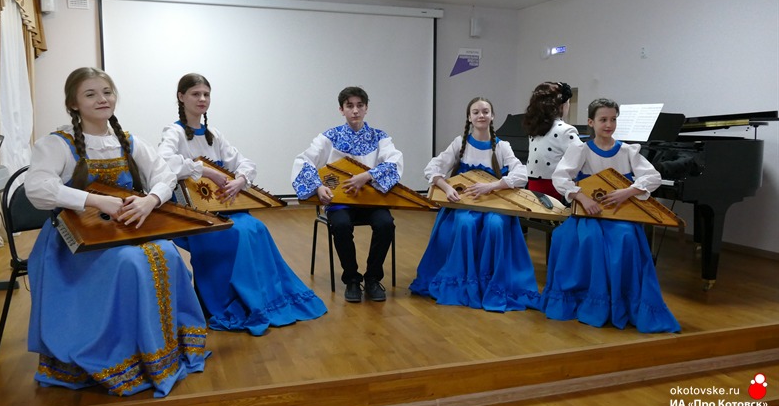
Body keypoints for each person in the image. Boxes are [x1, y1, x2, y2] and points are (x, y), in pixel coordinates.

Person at [24, 67, 209, 397]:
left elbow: (165, 176)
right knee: (131, 262)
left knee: (166, 251)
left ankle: (158, 351)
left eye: (107, 92)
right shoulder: (57, 144)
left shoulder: (128, 141)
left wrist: (150, 200)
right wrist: (95, 201)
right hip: (75, 242)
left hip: (123, 231)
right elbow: (37, 188)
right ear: (73, 103)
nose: (102, 99)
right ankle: (118, 355)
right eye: (90, 94)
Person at [158, 73, 327, 335]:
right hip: (193, 214)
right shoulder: (175, 132)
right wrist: (205, 170)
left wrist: (241, 180)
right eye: (195, 94)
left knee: (256, 228)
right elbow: (164, 162)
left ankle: (261, 298)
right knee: (238, 232)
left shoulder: (214, 134)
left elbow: (245, 163)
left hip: (222, 209)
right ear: (181, 97)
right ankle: (226, 299)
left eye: (206, 94)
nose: (202, 99)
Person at [539, 98, 681, 333]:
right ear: (591, 122)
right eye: (603, 119)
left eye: (613, 119)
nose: (608, 124)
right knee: (586, 238)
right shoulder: (581, 150)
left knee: (626, 237)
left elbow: (653, 177)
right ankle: (589, 299)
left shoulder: (627, 151)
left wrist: (628, 191)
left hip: (619, 215)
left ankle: (621, 301)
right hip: (588, 215)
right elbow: (560, 177)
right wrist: (582, 197)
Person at [409, 97, 540, 312]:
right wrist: (447, 187)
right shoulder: (459, 143)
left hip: (494, 203)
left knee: (495, 225)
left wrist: (492, 186)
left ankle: (492, 284)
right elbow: (432, 168)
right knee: (465, 223)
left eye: (485, 111)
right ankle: (463, 283)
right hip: (465, 204)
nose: (481, 115)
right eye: (476, 112)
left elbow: (521, 174)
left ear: (492, 116)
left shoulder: (502, 146)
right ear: (469, 117)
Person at [291, 86, 402, 303]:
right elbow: (304, 160)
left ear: (366, 108)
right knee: (341, 225)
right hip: (340, 201)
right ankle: (351, 278)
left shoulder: (380, 137)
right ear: (341, 110)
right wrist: (317, 187)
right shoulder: (329, 137)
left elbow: (394, 161)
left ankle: (372, 278)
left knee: (386, 224)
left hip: (370, 201)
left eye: (360, 105)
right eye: (349, 106)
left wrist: (367, 176)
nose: (355, 110)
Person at [522, 82, 582, 200]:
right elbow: (582, 159)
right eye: (568, 103)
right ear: (561, 105)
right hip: (555, 189)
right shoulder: (566, 130)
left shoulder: (534, 129)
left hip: (533, 187)